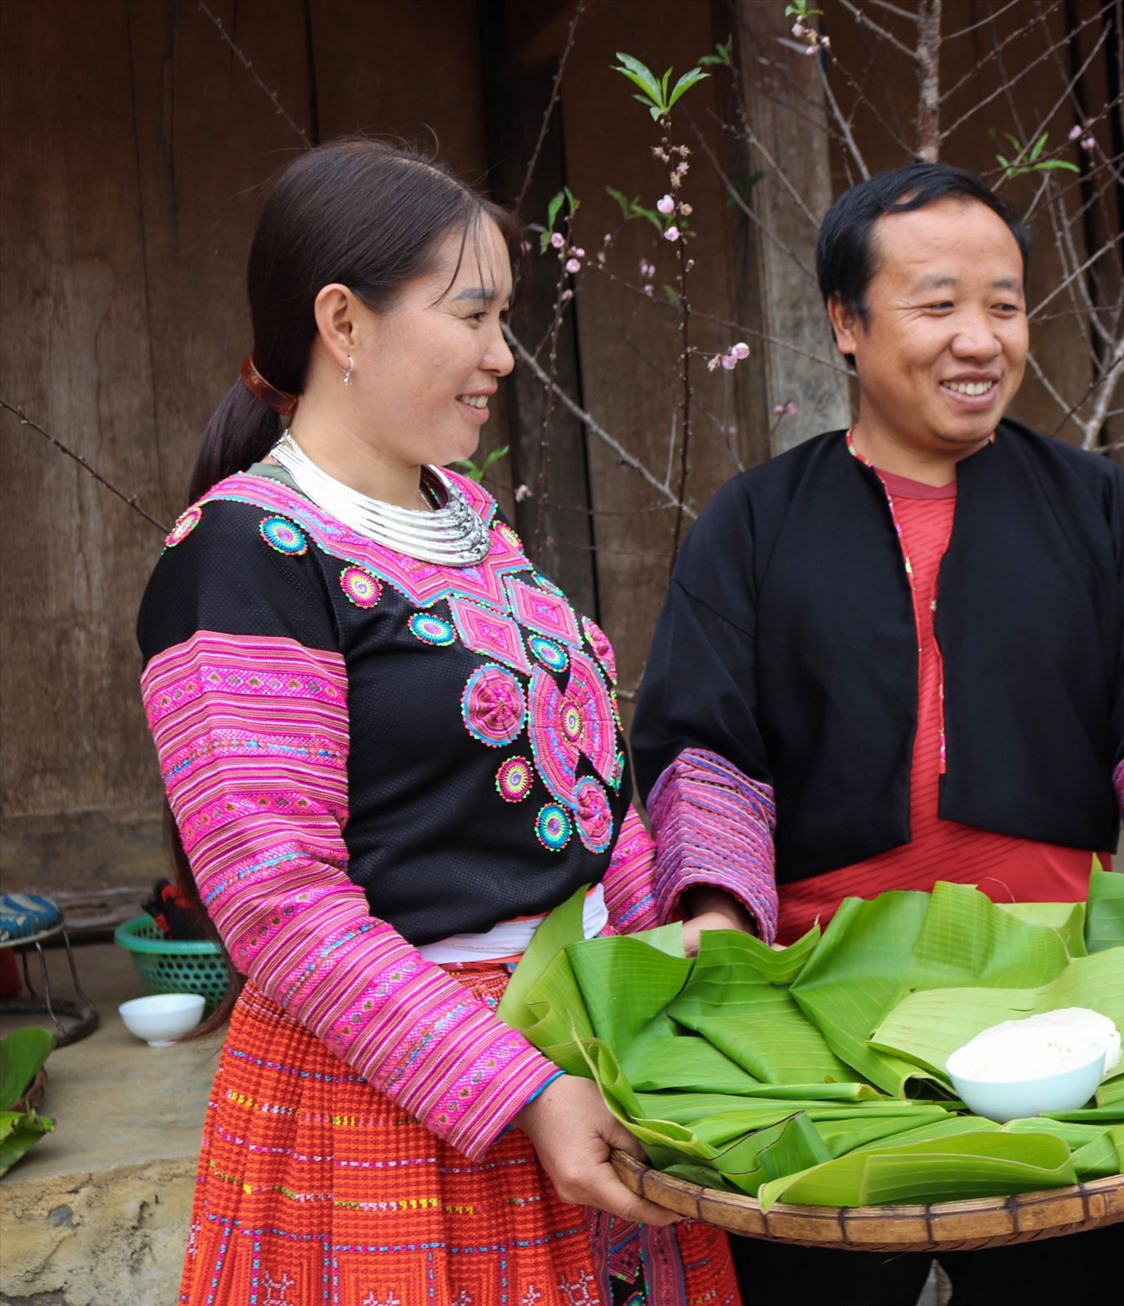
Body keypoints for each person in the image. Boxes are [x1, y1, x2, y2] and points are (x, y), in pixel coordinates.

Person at [629, 162, 1124, 1303]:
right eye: (937, 305)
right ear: (847, 323)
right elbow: (706, 745)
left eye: (1005, 304)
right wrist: (717, 917)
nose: (980, 339)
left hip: (1057, 1028)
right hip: (815, 1029)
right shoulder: (754, 526)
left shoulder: (1099, 510)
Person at [136, 140, 736, 1306]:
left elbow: (587, 777)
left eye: (503, 319)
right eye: (472, 316)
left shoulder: (465, 515)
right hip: (395, 1112)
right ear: (343, 324)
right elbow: (278, 905)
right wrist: (513, 1084)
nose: (500, 359)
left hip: (582, 1045)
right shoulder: (243, 558)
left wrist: (667, 964)